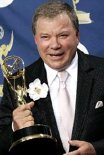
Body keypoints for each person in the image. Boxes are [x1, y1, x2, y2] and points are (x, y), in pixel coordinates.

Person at [0, 1, 104, 155]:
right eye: (45, 37)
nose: (54, 45)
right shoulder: (18, 82)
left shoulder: (101, 72)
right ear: (36, 40)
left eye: (63, 35)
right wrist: (15, 128)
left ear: (77, 36)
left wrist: (97, 150)